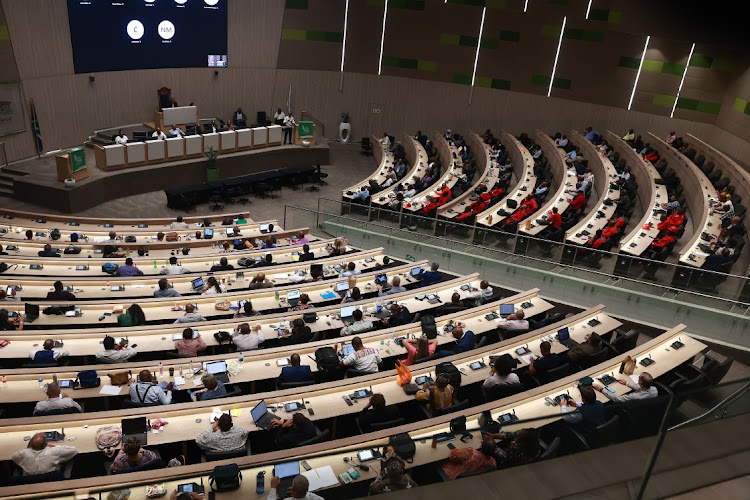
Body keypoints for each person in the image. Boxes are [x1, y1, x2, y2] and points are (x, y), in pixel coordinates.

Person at [12, 432, 78, 475]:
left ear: (30, 444)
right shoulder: (54, 451)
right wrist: (55, 447)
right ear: (46, 444)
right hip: (51, 482)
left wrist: (27, 450)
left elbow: (14, 457)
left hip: (29, 483)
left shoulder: (23, 454)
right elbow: (74, 450)